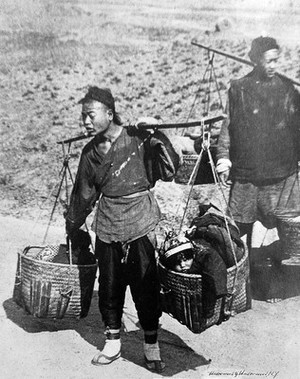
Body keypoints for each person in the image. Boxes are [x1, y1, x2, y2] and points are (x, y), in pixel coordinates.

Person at [65, 86, 181, 372]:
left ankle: (151, 343)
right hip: (108, 222)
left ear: (109, 113)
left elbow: (170, 169)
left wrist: (156, 134)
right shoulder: (91, 153)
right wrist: (72, 224)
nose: (86, 122)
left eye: (90, 115)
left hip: (140, 218)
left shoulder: (137, 138)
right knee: (109, 284)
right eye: (83, 117)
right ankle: (113, 341)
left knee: (146, 283)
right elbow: (83, 193)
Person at [216, 36, 300, 301]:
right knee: (241, 227)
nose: (274, 65)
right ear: (254, 59)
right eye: (269, 60)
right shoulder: (239, 88)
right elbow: (227, 126)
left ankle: (275, 284)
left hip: (281, 172)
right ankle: (241, 286)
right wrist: (223, 157)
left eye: (277, 60)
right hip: (246, 173)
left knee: (277, 228)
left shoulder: (288, 89)